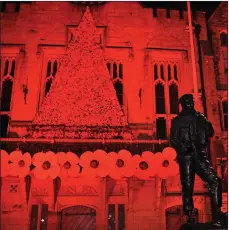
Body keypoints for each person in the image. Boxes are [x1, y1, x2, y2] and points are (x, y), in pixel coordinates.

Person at [170, 94, 223, 226]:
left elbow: (210, 132)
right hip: (186, 157)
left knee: (215, 181)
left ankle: (218, 213)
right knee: (187, 186)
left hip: (200, 155)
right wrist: (184, 149)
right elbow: (174, 140)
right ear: (183, 104)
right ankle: (189, 216)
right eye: (188, 102)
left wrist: (205, 123)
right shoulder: (177, 121)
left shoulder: (200, 117)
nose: (190, 104)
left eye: (192, 102)